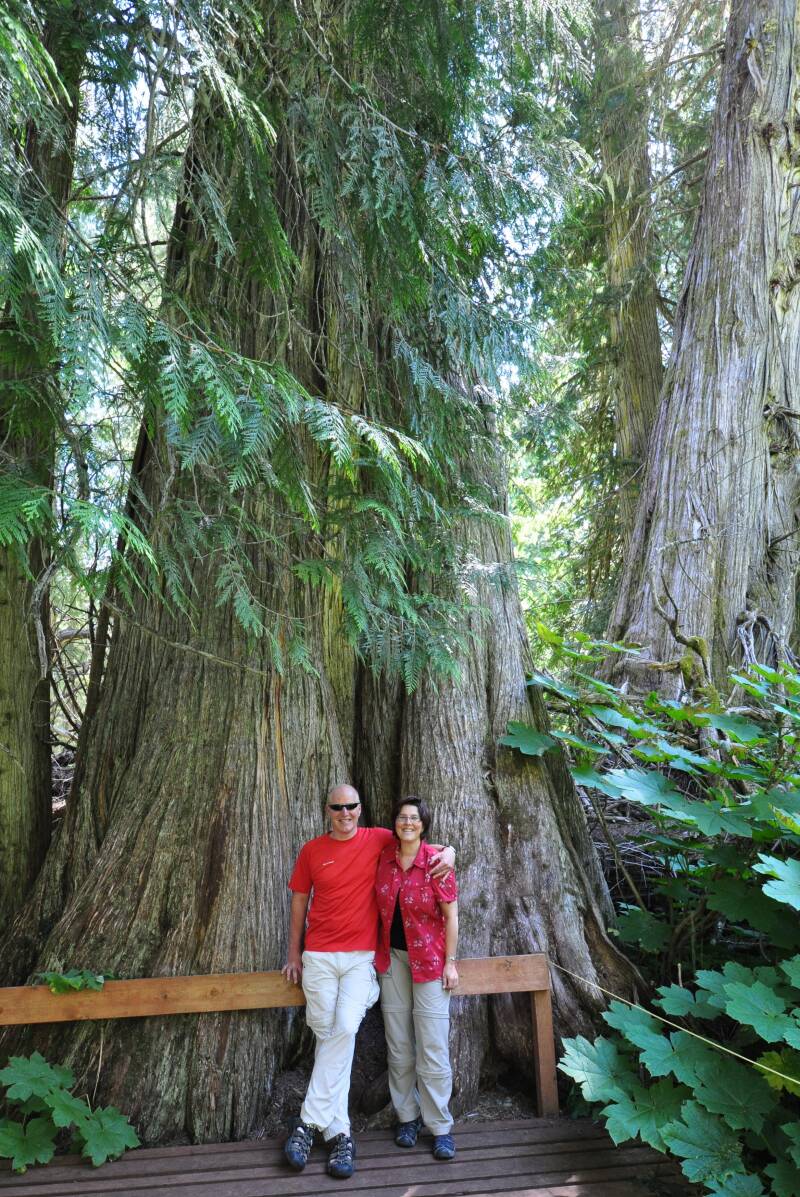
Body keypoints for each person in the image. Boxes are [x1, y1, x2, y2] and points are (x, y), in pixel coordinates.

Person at [281, 784, 455, 1180]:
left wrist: (451, 852)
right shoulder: (311, 850)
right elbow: (298, 902)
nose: (345, 813)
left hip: (361, 957)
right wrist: (294, 953)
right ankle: (339, 1131)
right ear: (327, 810)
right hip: (320, 956)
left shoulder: (378, 839)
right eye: (337, 807)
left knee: (343, 1029)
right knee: (329, 1034)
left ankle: (307, 1124)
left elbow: (420, 840)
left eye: (351, 806)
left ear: (361, 809)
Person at [374, 795, 459, 1162]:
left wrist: (451, 963)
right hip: (391, 961)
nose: (407, 822)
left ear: (423, 825)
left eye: (413, 818)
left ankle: (439, 1126)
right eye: (401, 817)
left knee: (433, 1047)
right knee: (398, 1044)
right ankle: (407, 1117)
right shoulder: (384, 858)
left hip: (430, 962)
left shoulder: (437, 864)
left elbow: (451, 916)